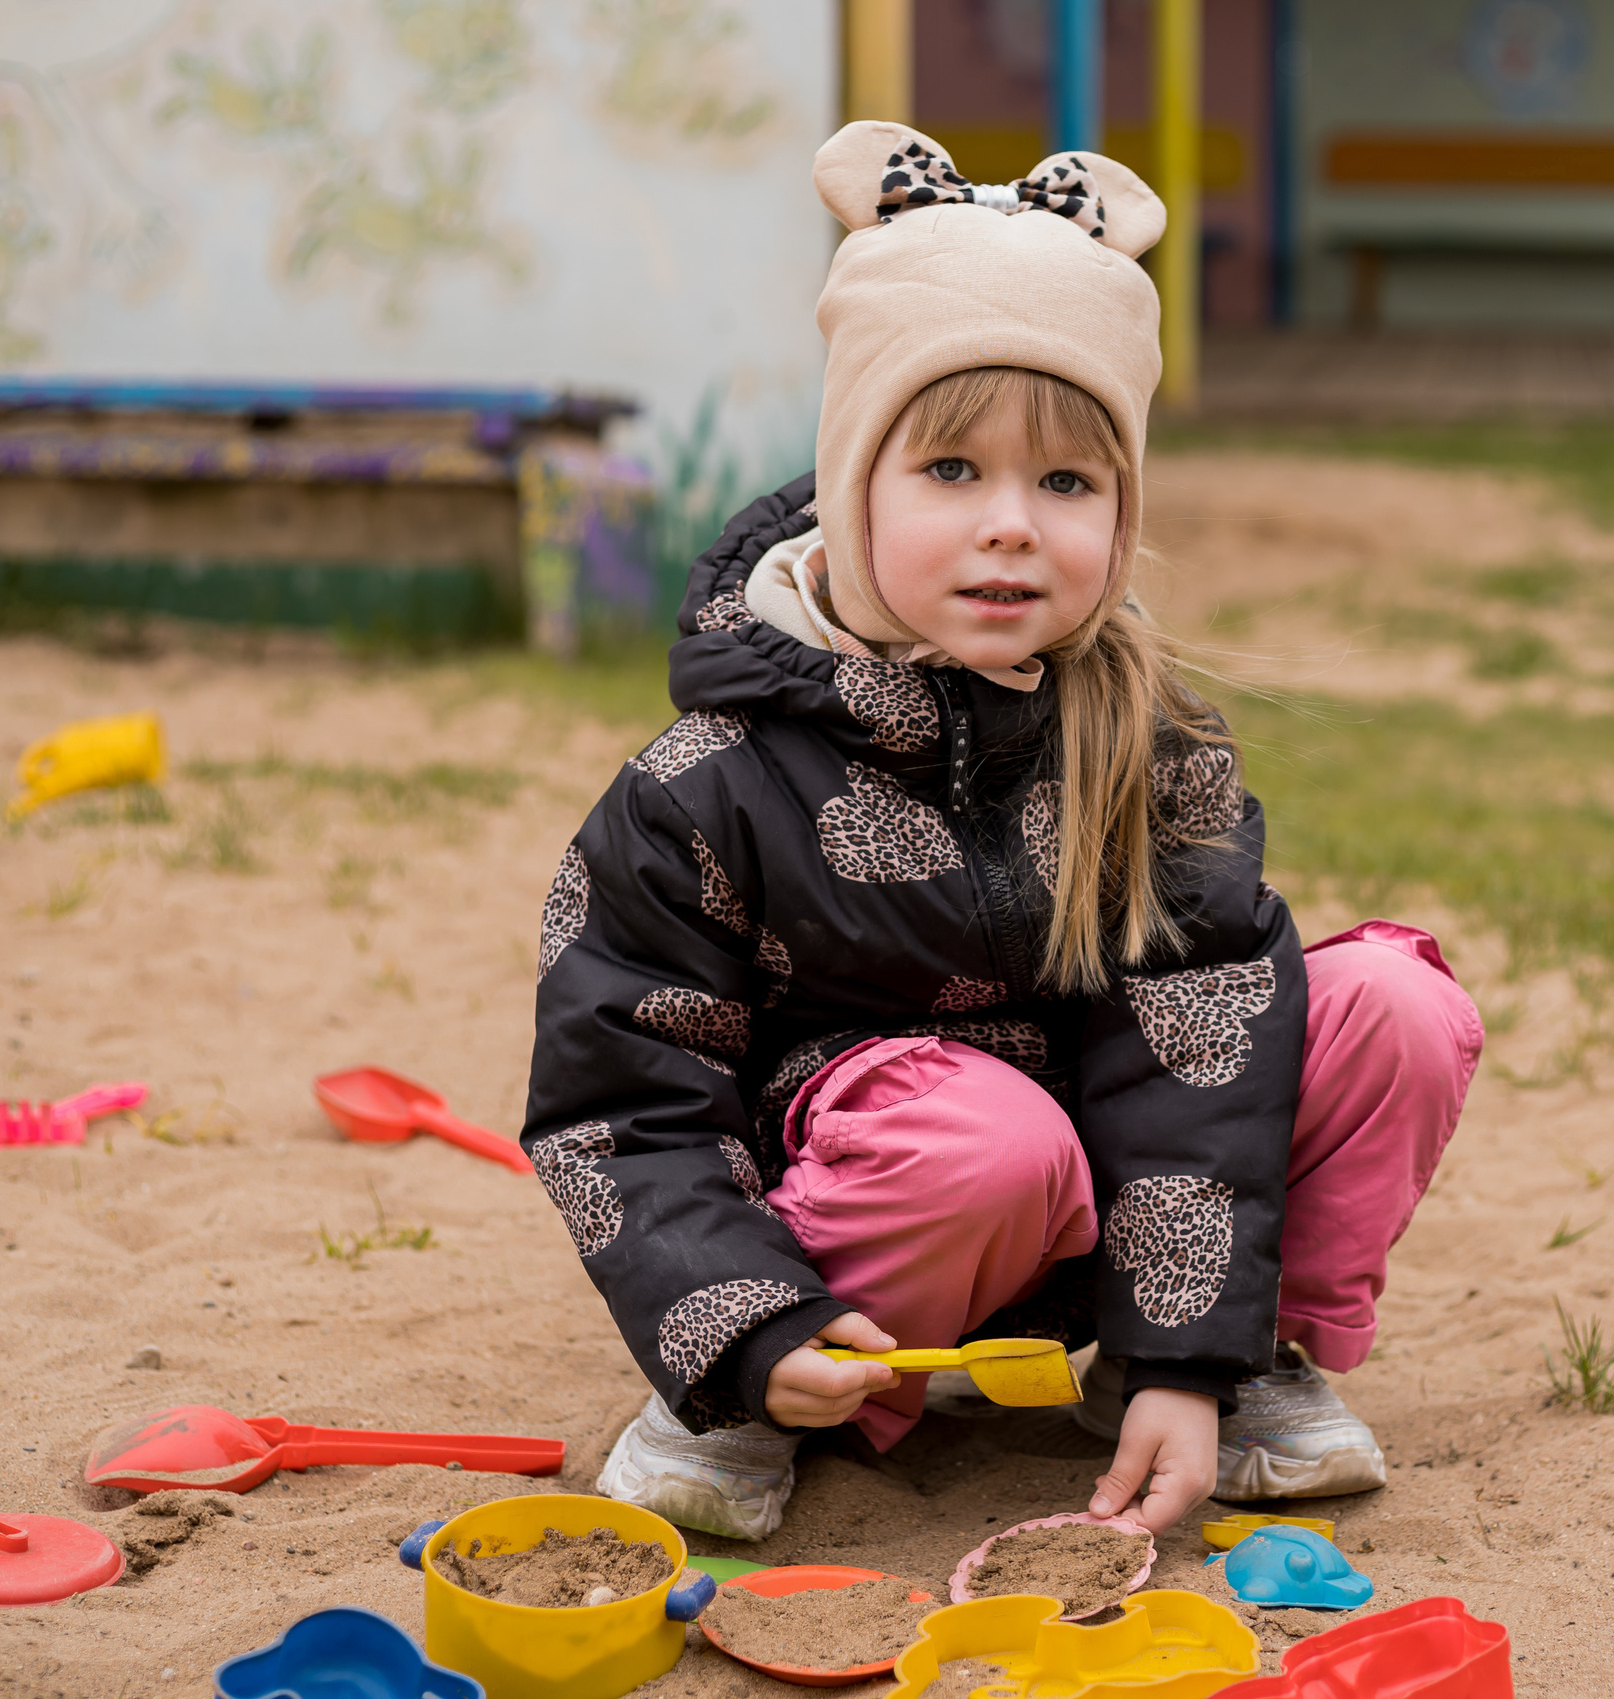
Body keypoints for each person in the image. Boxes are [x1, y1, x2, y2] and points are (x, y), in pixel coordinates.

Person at [523, 121, 1483, 1543]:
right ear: (853, 484)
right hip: (889, 1215)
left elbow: (1198, 1044)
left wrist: (1176, 1357)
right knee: (985, 1142)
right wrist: (741, 1325)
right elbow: (626, 1093)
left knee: (1392, 1006)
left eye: (1068, 483)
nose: (1011, 528)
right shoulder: (706, 780)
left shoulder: (1150, 747)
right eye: (951, 472)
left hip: (1111, 1213)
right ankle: (739, 1395)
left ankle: (1238, 1353)